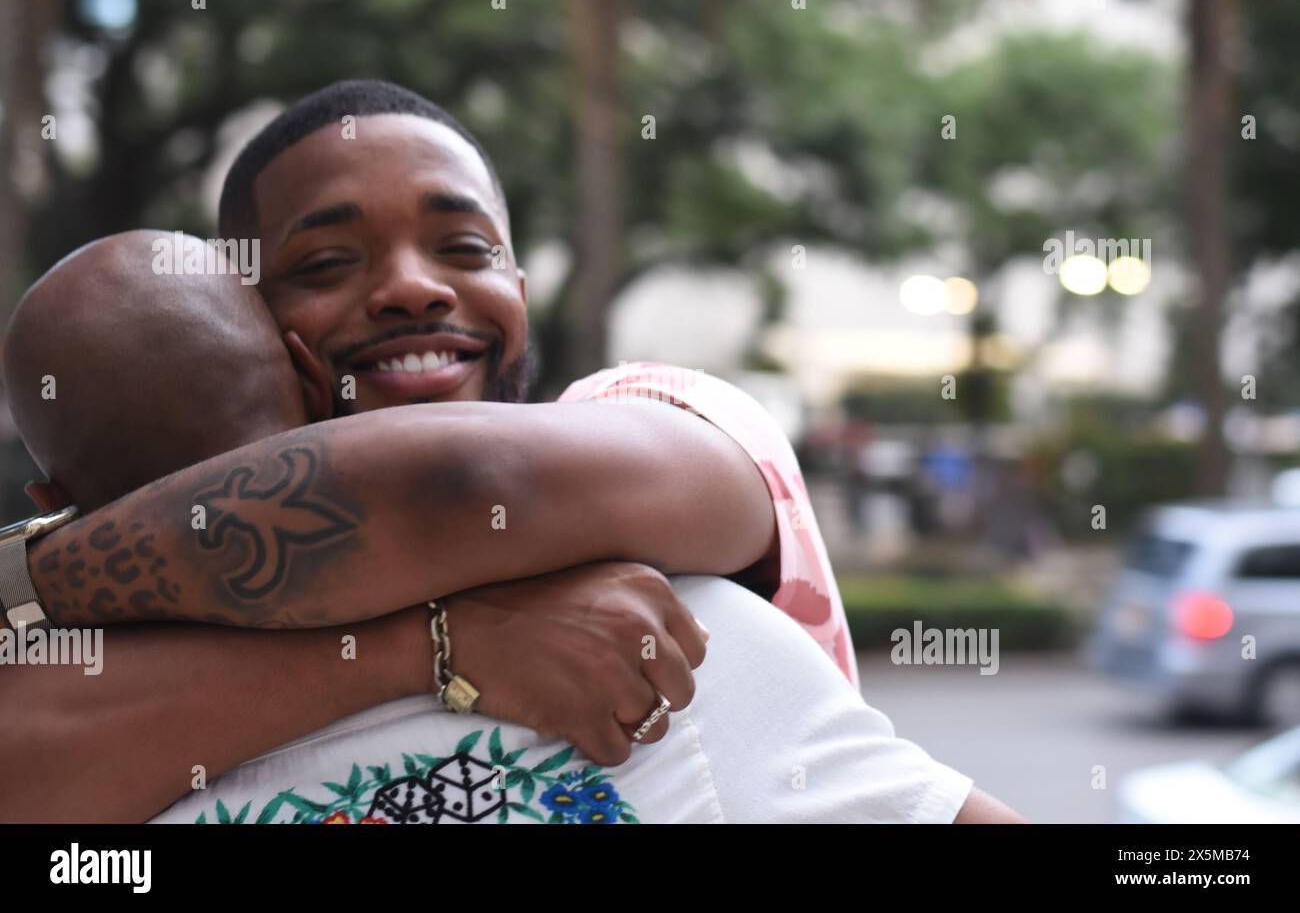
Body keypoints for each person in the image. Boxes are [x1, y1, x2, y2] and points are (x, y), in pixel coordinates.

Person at [6, 231, 1018, 823]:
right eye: (327, 256)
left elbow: (455, 481)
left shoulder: (65, 746)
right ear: (311, 373)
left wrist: (26, 574)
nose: (410, 286)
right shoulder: (666, 639)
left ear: (50, 496)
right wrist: (441, 643)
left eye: (463, 242)